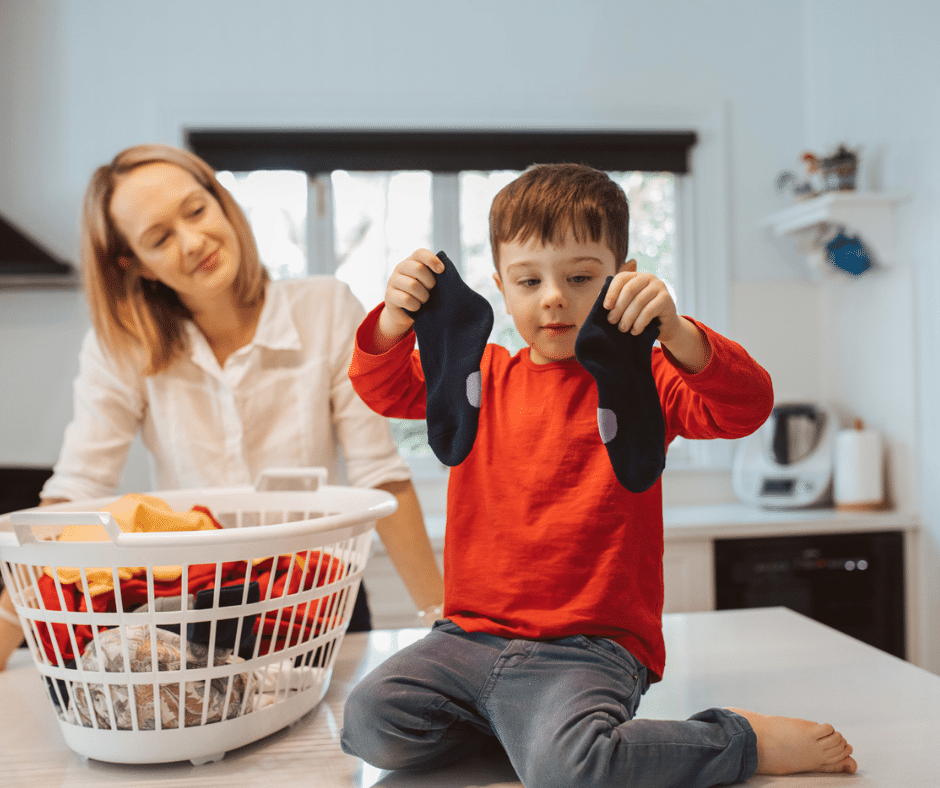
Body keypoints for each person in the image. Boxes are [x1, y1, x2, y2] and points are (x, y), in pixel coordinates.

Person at [339, 163, 857, 787]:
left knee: (573, 772)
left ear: (623, 280)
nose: (553, 296)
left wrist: (678, 334)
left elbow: (744, 408)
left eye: (580, 277)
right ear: (502, 288)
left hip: (588, 648)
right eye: (529, 280)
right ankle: (521, 729)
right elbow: (383, 386)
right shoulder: (481, 379)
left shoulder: (646, 379)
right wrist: (395, 319)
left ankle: (741, 741)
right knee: (366, 725)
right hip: (468, 638)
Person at [0, 143, 444, 671]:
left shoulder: (325, 308)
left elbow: (380, 476)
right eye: (159, 238)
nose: (193, 242)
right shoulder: (122, 347)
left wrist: (443, 623)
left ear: (221, 202)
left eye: (196, 210)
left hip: (319, 603)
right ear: (133, 264)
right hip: (186, 612)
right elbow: (78, 492)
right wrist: (6, 636)